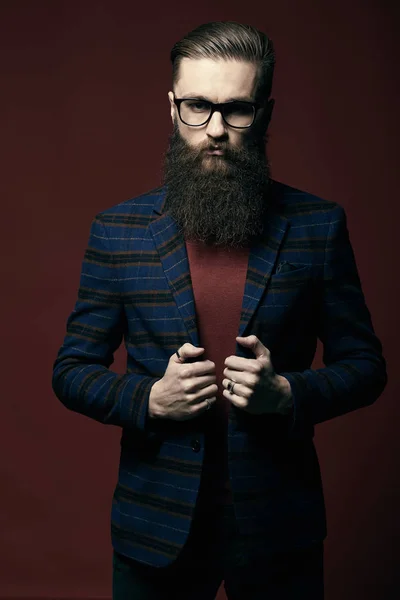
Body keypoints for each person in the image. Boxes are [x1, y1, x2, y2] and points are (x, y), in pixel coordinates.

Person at [52, 21, 387, 600]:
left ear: (266, 113)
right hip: (154, 526)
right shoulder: (118, 230)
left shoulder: (317, 226)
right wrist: (149, 400)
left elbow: (365, 366)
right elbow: (71, 370)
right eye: (196, 107)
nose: (214, 131)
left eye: (236, 110)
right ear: (172, 106)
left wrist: (288, 394)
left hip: (279, 527)